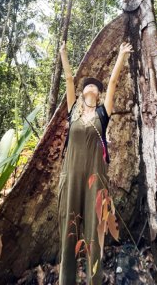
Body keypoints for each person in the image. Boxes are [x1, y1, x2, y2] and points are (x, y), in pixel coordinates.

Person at [57, 40, 132, 285]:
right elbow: (69, 79)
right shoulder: (73, 112)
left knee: (93, 229)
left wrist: (120, 55)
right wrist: (63, 54)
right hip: (71, 175)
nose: (92, 86)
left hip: (95, 177)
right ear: (82, 92)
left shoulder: (102, 113)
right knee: (69, 227)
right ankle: (65, 280)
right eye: (88, 84)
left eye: (95, 87)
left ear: (98, 95)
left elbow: (112, 82)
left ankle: (94, 280)